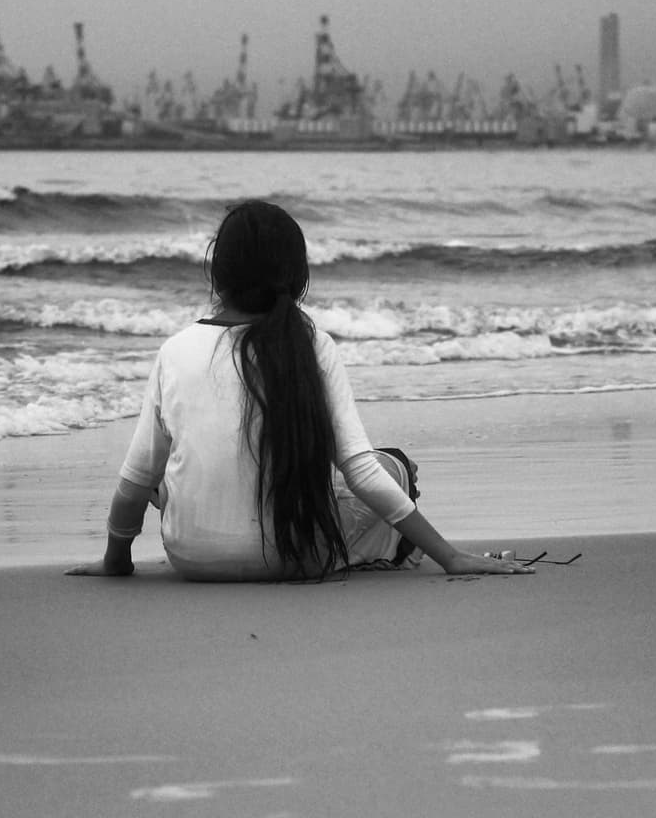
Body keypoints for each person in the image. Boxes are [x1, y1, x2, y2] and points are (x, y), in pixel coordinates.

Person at [68, 200, 533, 582]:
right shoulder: (313, 345)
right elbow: (359, 471)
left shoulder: (176, 350)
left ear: (217, 274)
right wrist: (450, 557)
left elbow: (133, 482)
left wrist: (117, 561)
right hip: (298, 559)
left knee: (162, 469)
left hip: (193, 559)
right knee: (394, 468)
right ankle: (391, 546)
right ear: (298, 277)